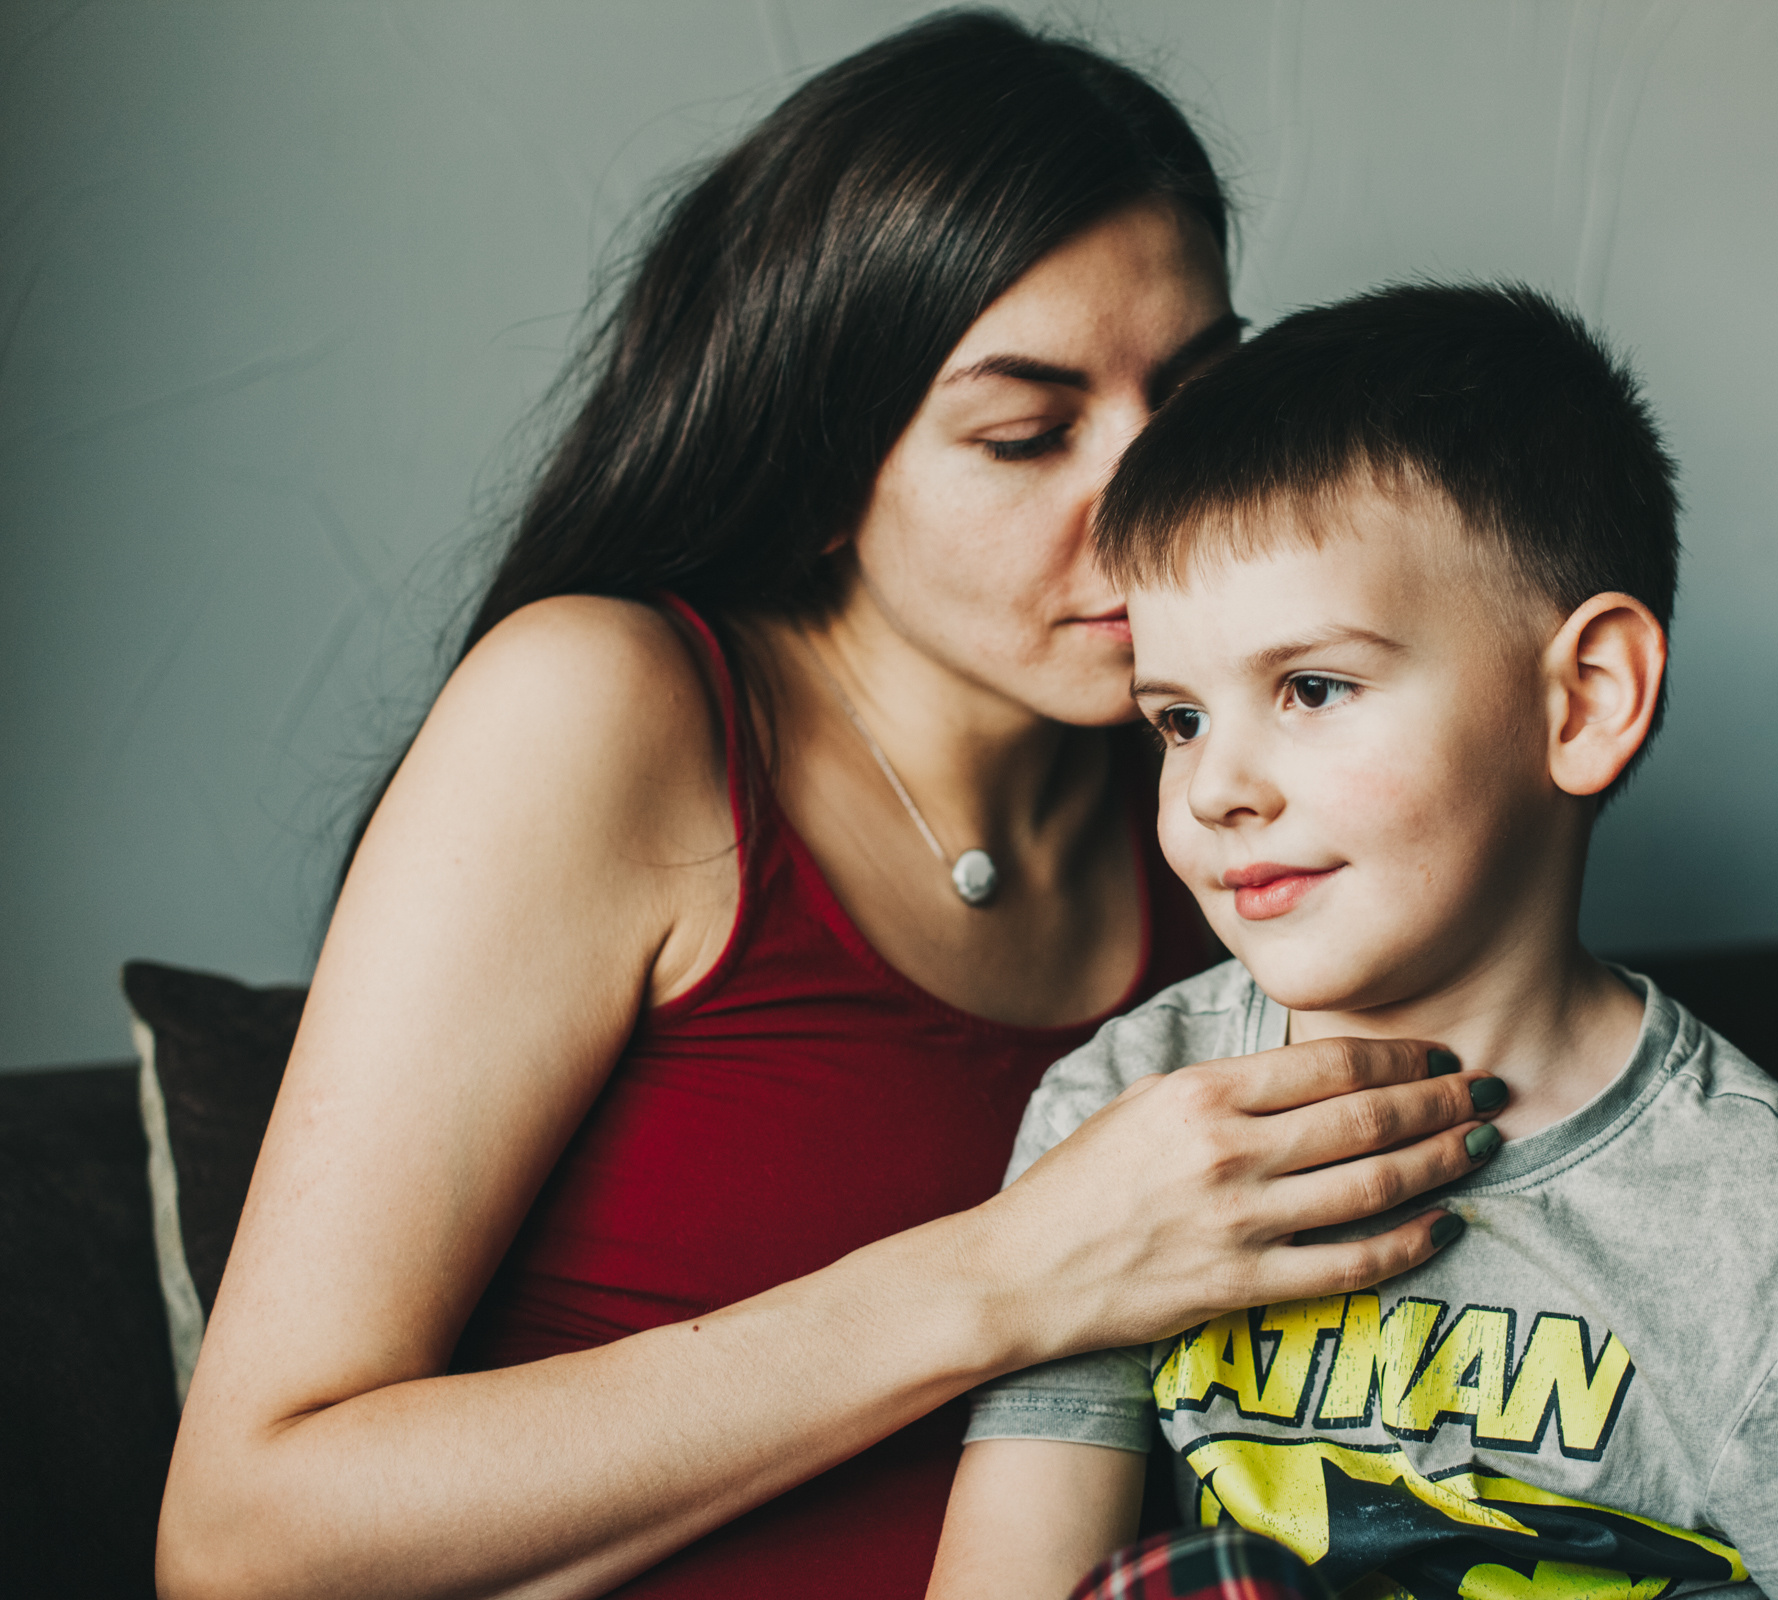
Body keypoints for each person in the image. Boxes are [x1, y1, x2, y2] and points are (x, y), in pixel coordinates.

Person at [152, 17, 1504, 1600]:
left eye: (1196, 400)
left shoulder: (1243, 806)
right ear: (820, 448)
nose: (1146, 503)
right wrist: (1013, 1277)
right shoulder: (607, 710)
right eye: (1025, 432)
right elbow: (241, 1544)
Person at [931, 284, 1778, 1599]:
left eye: (1312, 688)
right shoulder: (1121, 1114)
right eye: (1175, 719)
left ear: (1585, 701)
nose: (1216, 786)